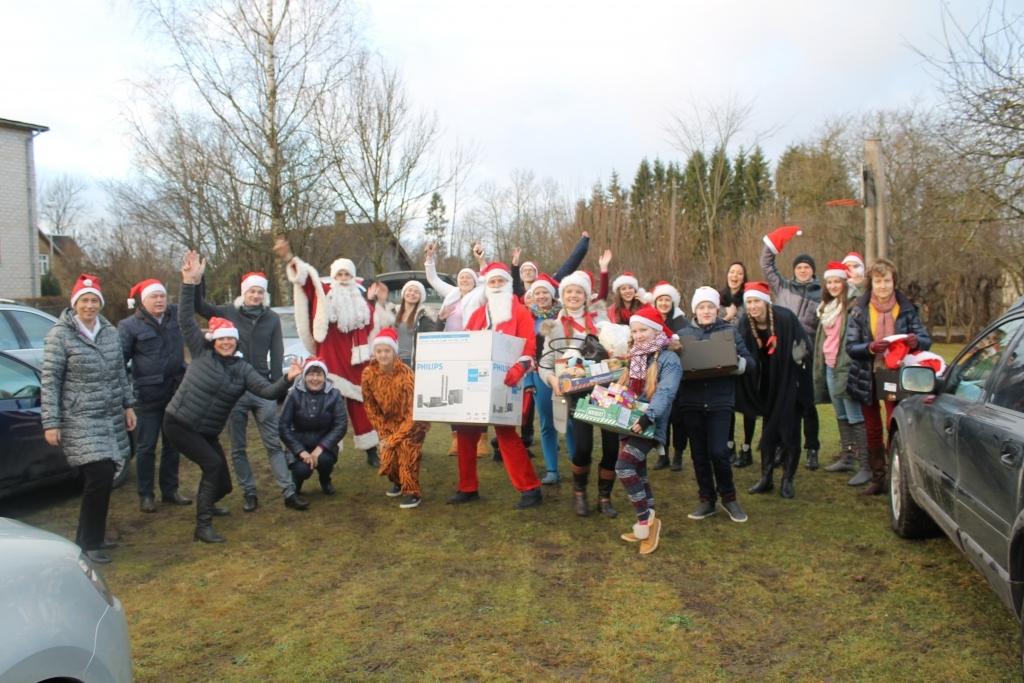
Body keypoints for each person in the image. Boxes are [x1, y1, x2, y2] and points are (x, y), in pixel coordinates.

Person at [165, 252, 302, 543]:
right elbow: (186, 315)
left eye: (231, 338)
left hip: (206, 430)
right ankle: (202, 526)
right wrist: (190, 282)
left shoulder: (241, 369)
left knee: (224, 483)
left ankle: (210, 499)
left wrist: (287, 379)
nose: (227, 341)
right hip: (180, 422)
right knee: (213, 466)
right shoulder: (201, 351)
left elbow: (266, 391)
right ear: (214, 340)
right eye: (222, 338)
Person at [41, 274, 136, 564]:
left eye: (95, 300)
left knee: (106, 476)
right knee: (100, 474)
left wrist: (128, 405)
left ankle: (92, 533)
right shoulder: (61, 335)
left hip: (109, 416)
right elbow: (50, 380)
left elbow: (120, 372)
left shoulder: (108, 332)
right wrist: (51, 421)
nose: (90, 306)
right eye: (85, 300)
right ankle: (88, 542)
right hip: (79, 416)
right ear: (75, 304)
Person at [276, 237, 394, 469]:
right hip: (330, 358)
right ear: (334, 276)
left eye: (347, 275)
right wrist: (289, 257)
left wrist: (376, 302)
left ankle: (370, 449)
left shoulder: (361, 297)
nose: (343, 279)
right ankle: (329, 451)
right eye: (339, 275)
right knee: (328, 406)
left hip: (356, 360)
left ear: (352, 277)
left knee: (362, 406)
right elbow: (305, 279)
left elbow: (373, 324)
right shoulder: (325, 291)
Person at [194, 270, 300, 512]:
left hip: (263, 386)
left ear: (265, 294)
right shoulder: (229, 312)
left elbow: (277, 350)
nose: (255, 295)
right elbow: (200, 307)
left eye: (260, 291)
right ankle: (249, 492)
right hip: (234, 388)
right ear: (244, 293)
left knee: (273, 442)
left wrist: (278, 386)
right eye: (252, 291)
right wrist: (198, 280)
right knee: (238, 447)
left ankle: (288, 491)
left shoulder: (271, 317)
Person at [448, 262, 544, 509]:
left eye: (501, 281)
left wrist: (518, 369)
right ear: (487, 286)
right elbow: (466, 344)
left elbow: (529, 349)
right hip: (475, 382)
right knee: (466, 433)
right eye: (492, 282)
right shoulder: (478, 315)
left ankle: (530, 488)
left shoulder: (521, 312)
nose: (496, 285)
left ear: (508, 284)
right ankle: (467, 487)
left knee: (506, 435)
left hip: (506, 382)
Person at [845, 258, 931, 495]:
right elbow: (851, 347)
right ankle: (878, 477)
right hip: (868, 373)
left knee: (894, 423)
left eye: (887, 281)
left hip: (896, 373)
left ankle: (899, 474)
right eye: (878, 281)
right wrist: (871, 347)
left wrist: (916, 341)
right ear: (871, 283)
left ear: (894, 282)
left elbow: (925, 339)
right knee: (872, 427)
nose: (883, 286)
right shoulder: (859, 310)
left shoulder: (906, 308)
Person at [538, 271, 618, 517]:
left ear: (586, 296)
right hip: (578, 393)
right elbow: (545, 363)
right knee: (582, 447)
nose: (573, 296)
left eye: (578, 292)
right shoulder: (554, 327)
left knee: (611, 447)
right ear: (562, 296)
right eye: (569, 292)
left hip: (607, 390)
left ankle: (604, 497)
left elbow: (618, 350)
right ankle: (580, 493)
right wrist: (552, 380)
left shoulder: (601, 320)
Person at [677, 287, 754, 522]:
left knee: (719, 452)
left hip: (721, 401)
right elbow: (671, 364)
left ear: (717, 309)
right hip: (691, 402)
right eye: (702, 307)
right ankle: (706, 499)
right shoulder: (682, 335)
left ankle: (729, 497)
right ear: (695, 310)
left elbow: (750, 362)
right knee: (699, 454)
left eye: (710, 307)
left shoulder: (729, 331)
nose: (707, 311)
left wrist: (734, 361)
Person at [615, 305, 682, 555]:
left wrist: (646, 418)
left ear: (656, 331)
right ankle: (648, 523)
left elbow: (666, 393)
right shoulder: (636, 356)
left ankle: (646, 522)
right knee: (639, 473)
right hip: (628, 422)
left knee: (624, 467)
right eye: (635, 330)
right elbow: (629, 389)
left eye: (643, 329)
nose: (639, 334)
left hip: (649, 425)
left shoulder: (669, 359)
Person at [119, 278, 190, 513]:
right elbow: (120, 361)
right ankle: (146, 494)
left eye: (162, 296)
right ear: (143, 301)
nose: (159, 300)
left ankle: (170, 490)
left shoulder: (176, 316)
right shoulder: (129, 326)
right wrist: (127, 394)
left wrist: (193, 280)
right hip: (147, 396)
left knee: (173, 445)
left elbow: (194, 302)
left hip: (176, 392)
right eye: (154, 297)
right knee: (146, 447)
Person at [736, 282, 813, 499]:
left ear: (766, 301)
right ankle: (766, 476)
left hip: (789, 380)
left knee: (790, 429)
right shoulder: (745, 322)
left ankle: (787, 479)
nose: (753, 306)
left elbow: (803, 345)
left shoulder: (785, 318)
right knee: (769, 428)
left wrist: (798, 357)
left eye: (756, 301)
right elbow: (739, 348)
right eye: (749, 302)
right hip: (766, 385)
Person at [760, 225, 822, 468]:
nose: (803, 270)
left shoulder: (822, 293)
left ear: (813, 271)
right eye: (799, 267)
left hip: (806, 354)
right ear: (794, 270)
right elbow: (766, 265)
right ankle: (780, 448)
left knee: (807, 404)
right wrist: (772, 243)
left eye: (807, 267)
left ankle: (812, 448)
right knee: (781, 404)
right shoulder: (783, 287)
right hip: (782, 354)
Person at [423, 242, 488, 457]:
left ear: (475, 280)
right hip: (450, 348)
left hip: (474, 348)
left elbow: (488, 282)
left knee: (476, 390)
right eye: (461, 277)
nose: (464, 280)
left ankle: (482, 439)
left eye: (468, 277)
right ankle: (456, 438)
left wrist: (481, 261)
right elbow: (433, 279)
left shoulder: (480, 294)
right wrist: (430, 258)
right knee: (452, 391)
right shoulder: (451, 293)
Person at [362, 328, 431, 509]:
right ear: (374, 353)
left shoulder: (406, 374)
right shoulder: (368, 374)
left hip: (413, 424)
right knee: (387, 457)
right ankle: (398, 481)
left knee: (406, 451)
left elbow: (412, 412)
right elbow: (370, 406)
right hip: (388, 424)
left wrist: (395, 437)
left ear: (394, 351)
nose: (383, 355)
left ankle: (412, 491)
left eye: (387, 351)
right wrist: (382, 430)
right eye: (379, 351)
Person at [812, 262, 868, 478]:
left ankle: (865, 465)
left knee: (855, 415)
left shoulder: (852, 304)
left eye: (838, 281)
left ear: (845, 283)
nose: (834, 285)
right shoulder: (827, 307)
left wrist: (858, 281)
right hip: (829, 365)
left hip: (846, 365)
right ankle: (847, 456)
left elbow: (864, 292)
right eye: (830, 282)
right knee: (841, 413)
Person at [278, 357, 347, 499]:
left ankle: (325, 479)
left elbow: (341, 424)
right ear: (304, 376)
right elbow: (283, 426)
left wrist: (320, 448)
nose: (314, 379)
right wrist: (300, 451)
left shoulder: (334, 395)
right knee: (302, 469)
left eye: (319, 374)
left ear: (325, 376)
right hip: (299, 442)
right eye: (310, 374)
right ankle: (296, 482)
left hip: (323, 442)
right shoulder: (294, 394)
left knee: (325, 460)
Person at [527, 273, 565, 484]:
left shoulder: (563, 314)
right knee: (546, 422)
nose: (541, 296)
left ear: (552, 295)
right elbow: (524, 348)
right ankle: (552, 470)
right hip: (539, 374)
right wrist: (528, 380)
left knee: (567, 421)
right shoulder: (528, 317)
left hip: (566, 371)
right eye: (537, 293)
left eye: (544, 292)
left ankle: (579, 463)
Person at [719, 261, 756, 467]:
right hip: (724, 358)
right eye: (732, 271)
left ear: (744, 277)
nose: (735, 275)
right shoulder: (719, 298)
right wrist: (728, 316)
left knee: (747, 405)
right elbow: (712, 326)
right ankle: (730, 445)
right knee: (729, 406)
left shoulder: (749, 298)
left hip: (745, 356)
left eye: (739, 273)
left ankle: (747, 448)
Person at [650, 280, 687, 472]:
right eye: (660, 300)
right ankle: (662, 454)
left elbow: (685, 348)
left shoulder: (681, 322)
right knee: (660, 415)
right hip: (656, 376)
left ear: (672, 302)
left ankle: (678, 455)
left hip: (676, 376)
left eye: (667, 300)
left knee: (678, 418)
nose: (664, 303)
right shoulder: (651, 322)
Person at [510, 231, 591, 299]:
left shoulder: (549, 284)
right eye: (524, 270)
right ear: (521, 275)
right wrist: (515, 265)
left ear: (536, 273)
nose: (527, 272)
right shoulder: (519, 294)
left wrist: (583, 244)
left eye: (530, 270)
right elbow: (515, 284)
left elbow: (569, 266)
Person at [388, 279, 441, 366]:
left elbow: (434, 337)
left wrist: (441, 320)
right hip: (391, 361)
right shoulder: (391, 312)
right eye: (409, 290)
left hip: (412, 362)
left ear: (421, 297)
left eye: (417, 292)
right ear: (404, 292)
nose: (412, 293)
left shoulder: (424, 317)